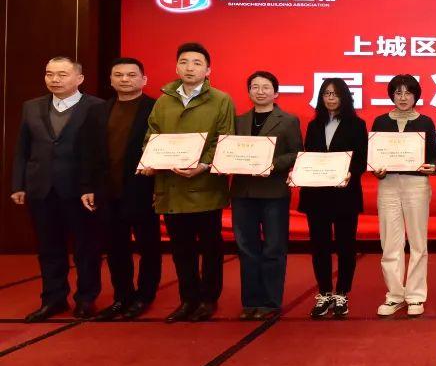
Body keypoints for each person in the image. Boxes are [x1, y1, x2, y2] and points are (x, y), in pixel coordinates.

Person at [141, 43, 235, 323]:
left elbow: (224, 138)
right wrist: (152, 159)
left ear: (208, 70)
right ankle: (187, 299)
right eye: (184, 62)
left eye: (196, 63)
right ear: (176, 67)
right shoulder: (163, 100)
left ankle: (208, 299)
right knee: (181, 249)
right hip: (171, 186)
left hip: (205, 186)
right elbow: (151, 136)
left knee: (210, 248)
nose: (189, 68)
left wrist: (203, 164)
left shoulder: (221, 100)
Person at [11, 57, 105, 322]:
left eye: (62, 74)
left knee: (86, 248)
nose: (55, 79)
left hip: (80, 190)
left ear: (79, 78)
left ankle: (86, 299)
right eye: (49, 74)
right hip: (41, 188)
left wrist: (95, 186)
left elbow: (101, 153)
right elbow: (22, 149)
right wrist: (18, 184)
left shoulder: (96, 107)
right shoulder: (31, 106)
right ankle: (53, 299)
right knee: (49, 248)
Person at [79, 57, 161, 321]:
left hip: (143, 189)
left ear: (144, 79)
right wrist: (87, 186)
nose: (125, 79)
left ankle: (144, 296)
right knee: (115, 249)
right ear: (111, 80)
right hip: (108, 191)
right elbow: (89, 152)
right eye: (119, 75)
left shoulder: (156, 109)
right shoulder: (98, 111)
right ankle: (122, 297)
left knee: (149, 247)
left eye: (131, 75)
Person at [231, 71, 302, 320]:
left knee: (273, 248)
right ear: (249, 91)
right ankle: (250, 301)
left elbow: (296, 153)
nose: (260, 91)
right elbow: (229, 150)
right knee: (246, 248)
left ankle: (271, 302)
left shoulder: (288, 121)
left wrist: (272, 164)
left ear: (276, 92)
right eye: (255, 87)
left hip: (273, 191)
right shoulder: (238, 121)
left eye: (266, 87)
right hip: (243, 192)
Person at [370, 75, 436, 317]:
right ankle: (395, 295)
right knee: (390, 241)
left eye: (408, 93)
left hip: (416, 184)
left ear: (415, 96)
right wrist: (376, 169)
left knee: (418, 242)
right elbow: (374, 156)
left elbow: (434, 155)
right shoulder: (380, 122)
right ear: (392, 95)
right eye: (398, 93)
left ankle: (416, 296)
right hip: (388, 184)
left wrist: (433, 167)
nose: (402, 98)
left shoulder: (425, 122)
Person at [297, 78, 367, 318]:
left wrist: (349, 173)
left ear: (344, 96)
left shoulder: (357, 124)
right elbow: (308, 157)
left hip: (345, 194)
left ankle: (342, 293)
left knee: (346, 246)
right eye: (326, 93)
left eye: (335, 94)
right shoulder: (314, 125)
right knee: (320, 246)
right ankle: (325, 292)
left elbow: (361, 159)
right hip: (316, 195)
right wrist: (299, 173)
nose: (330, 98)